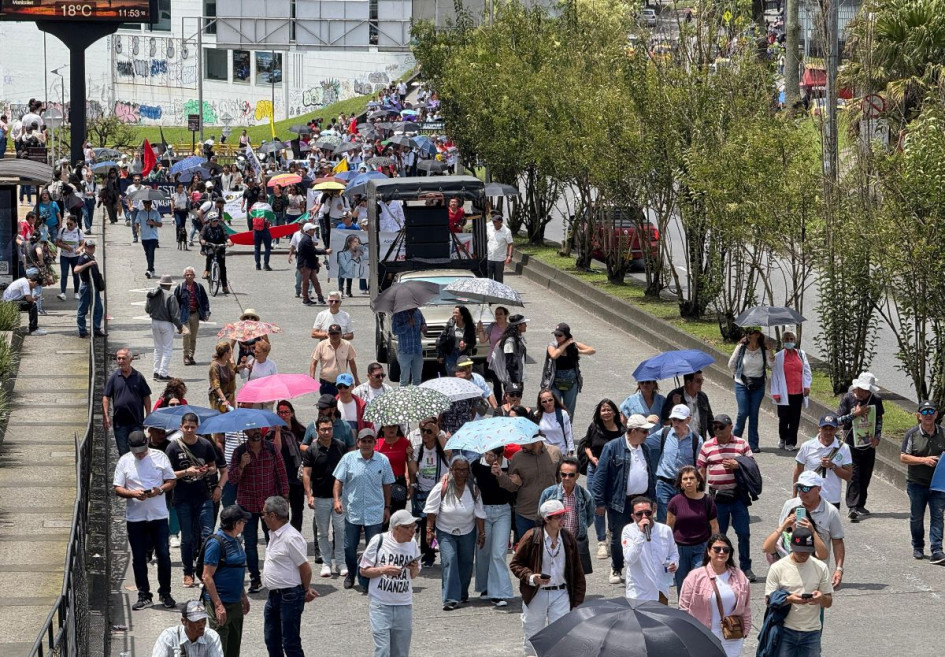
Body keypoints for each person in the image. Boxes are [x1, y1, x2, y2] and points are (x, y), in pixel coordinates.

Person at [510, 499, 587, 656]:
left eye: (564, 515)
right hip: (536, 593)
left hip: (561, 593)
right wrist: (532, 577)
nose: (563, 520)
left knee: (561, 636)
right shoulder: (531, 536)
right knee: (533, 636)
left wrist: (577, 601)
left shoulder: (567, 538)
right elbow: (516, 564)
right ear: (547, 519)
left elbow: (578, 571)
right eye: (558, 517)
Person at [113, 430, 177, 611]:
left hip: (158, 515)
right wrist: (133, 493)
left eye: (142, 451)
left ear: (147, 445)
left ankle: (165, 592)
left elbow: (171, 480)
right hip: (136, 517)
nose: (140, 455)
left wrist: (159, 490)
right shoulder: (124, 461)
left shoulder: (159, 457)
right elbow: (117, 488)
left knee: (163, 555)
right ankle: (144, 594)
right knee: (139, 557)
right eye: (136, 453)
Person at [591, 414, 656, 584]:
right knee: (619, 536)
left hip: (642, 500)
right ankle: (617, 567)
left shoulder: (645, 448)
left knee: (644, 533)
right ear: (633, 431)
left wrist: (653, 499)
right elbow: (600, 476)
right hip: (619, 501)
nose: (647, 435)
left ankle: (642, 569)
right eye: (644, 431)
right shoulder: (612, 447)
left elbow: (650, 475)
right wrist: (599, 502)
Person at [229, 427, 290, 593]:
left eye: (258, 429)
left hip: (269, 505)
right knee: (250, 544)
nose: (255, 432)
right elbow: (232, 479)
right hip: (247, 504)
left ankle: (275, 575)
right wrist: (242, 465)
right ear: (245, 432)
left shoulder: (271, 449)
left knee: (274, 541)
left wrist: (285, 497)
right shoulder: (239, 452)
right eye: (251, 430)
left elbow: (281, 473)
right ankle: (255, 578)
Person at [166, 412, 223, 588]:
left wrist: (207, 470)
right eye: (186, 427)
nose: (189, 430)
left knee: (207, 534)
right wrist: (186, 472)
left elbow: (214, 467)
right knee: (187, 537)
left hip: (203, 496)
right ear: (181, 427)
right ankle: (187, 572)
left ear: (197, 427)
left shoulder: (205, 444)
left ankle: (205, 572)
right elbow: (167, 474)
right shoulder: (173, 448)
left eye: (192, 427)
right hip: (182, 498)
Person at [333, 428, 395, 590]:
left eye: (370, 441)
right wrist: (337, 500)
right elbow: (338, 481)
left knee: (372, 548)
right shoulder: (348, 459)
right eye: (363, 441)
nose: (366, 444)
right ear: (358, 442)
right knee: (349, 547)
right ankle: (351, 573)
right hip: (353, 510)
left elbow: (387, 485)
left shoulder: (383, 460)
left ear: (374, 443)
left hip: (374, 511)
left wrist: (387, 507)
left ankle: (367, 579)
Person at [697, 414, 757, 582]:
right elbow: (701, 469)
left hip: (737, 497)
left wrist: (738, 464)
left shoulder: (741, 444)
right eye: (715, 427)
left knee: (744, 533)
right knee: (717, 536)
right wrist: (700, 496)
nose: (717, 430)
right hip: (717, 499)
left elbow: (752, 465)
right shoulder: (707, 445)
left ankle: (745, 567)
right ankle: (716, 567)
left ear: (730, 427)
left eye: (721, 427)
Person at [423, 455, 486, 610]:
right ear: (451, 470)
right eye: (458, 470)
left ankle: (462, 593)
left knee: (466, 563)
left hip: (467, 531)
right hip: (445, 530)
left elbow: (479, 513)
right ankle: (450, 598)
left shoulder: (473, 489)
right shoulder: (442, 487)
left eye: (464, 470)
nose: (461, 473)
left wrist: (482, 533)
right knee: (450, 560)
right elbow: (431, 511)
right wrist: (429, 530)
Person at [261, 496, 319, 657]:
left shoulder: (291, 537)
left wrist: (305, 590)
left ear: (272, 515)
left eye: (264, 513)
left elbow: (305, 568)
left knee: (290, 643)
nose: (262, 517)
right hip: (274, 596)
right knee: (271, 640)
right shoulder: (274, 533)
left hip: (289, 596)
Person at [359, 509, 422, 657]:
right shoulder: (379, 541)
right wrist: (383, 570)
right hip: (381, 606)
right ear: (397, 528)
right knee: (382, 651)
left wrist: (413, 568)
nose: (413, 531)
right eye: (409, 527)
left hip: (404, 605)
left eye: (414, 526)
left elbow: (414, 575)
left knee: (401, 652)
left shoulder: (412, 543)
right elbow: (363, 570)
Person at [678, 534, 753, 657]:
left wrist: (745, 630)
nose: (721, 552)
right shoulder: (695, 576)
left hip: (732, 635)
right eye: (717, 549)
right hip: (703, 635)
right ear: (708, 551)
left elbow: (746, 607)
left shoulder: (739, 576)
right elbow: (684, 608)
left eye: (726, 550)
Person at [763, 527, 833, 657]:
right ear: (791, 547)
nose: (803, 555)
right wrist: (789, 599)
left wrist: (821, 598)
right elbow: (769, 600)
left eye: (807, 551)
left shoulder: (821, 568)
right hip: (785, 630)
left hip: (812, 632)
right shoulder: (777, 568)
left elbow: (828, 602)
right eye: (800, 551)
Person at [776, 471, 845, 588]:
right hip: (790, 573)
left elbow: (837, 541)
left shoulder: (831, 512)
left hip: (817, 575)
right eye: (799, 487)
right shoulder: (789, 505)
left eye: (806, 488)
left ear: (819, 489)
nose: (802, 492)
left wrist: (839, 569)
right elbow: (780, 537)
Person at [578, 399, 625, 560]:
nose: (606, 413)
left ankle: (611, 534)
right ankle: (601, 542)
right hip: (595, 470)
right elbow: (587, 445)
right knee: (598, 505)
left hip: (614, 472)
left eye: (609, 409)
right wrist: (592, 458)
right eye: (603, 410)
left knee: (612, 505)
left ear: (615, 412)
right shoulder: (594, 427)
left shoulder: (621, 430)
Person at [201, 505, 251, 657]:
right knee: (219, 649)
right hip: (220, 603)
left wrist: (243, 596)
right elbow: (206, 576)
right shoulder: (216, 543)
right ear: (236, 524)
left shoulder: (236, 540)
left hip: (235, 602)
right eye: (243, 521)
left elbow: (237, 571)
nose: (245, 524)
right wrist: (218, 605)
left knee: (233, 648)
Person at [901, 401, 945, 563]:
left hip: (939, 484)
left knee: (938, 516)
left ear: (936, 415)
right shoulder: (912, 434)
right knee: (917, 517)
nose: (928, 415)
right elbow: (903, 457)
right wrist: (923, 460)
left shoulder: (943, 433)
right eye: (925, 412)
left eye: (931, 412)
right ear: (919, 416)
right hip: (916, 483)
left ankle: (937, 549)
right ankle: (918, 546)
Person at [302, 417, 347, 577]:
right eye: (323, 429)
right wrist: (309, 495)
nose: (327, 432)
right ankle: (326, 563)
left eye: (329, 429)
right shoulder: (311, 450)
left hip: (339, 497)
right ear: (317, 430)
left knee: (340, 530)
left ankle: (340, 562)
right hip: (320, 497)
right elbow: (306, 474)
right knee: (322, 533)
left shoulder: (340, 446)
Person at [838, 371, 885, 522]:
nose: (862, 393)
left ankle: (860, 504)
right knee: (854, 475)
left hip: (868, 444)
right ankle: (852, 506)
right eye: (861, 389)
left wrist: (877, 437)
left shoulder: (876, 400)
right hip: (851, 443)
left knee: (866, 474)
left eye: (866, 390)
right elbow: (838, 421)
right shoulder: (847, 398)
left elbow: (879, 420)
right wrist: (855, 414)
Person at [471, 447, 515, 606]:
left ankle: (499, 592)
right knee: (483, 551)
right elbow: (468, 480)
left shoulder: (509, 465)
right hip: (483, 512)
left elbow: (513, 487)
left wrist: (501, 475)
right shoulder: (477, 465)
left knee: (498, 552)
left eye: (491, 455)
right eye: (486, 454)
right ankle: (484, 588)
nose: (488, 458)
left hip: (503, 511)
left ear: (500, 455)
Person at [538, 456, 595, 576]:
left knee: (576, 577)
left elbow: (589, 518)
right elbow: (541, 516)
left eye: (571, 475)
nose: (566, 478)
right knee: (554, 576)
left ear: (577, 476)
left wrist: (581, 528)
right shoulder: (548, 493)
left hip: (576, 542)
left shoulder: (585, 495)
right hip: (554, 542)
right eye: (563, 474)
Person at [496, 438, 563, 540]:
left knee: (549, 548)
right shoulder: (517, 457)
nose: (521, 446)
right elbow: (511, 487)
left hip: (549, 515)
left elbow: (562, 482)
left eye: (523, 442)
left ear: (535, 440)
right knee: (525, 548)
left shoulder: (555, 452)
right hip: (524, 515)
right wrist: (500, 475)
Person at [648, 404, 704, 522]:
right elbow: (643, 441)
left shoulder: (696, 439)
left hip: (685, 485)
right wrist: (647, 424)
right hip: (664, 484)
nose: (676, 423)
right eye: (674, 419)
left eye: (680, 420)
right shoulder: (664, 433)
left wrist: (699, 489)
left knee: (684, 519)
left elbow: (700, 466)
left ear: (688, 419)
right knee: (664, 520)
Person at [666, 465, 719, 590]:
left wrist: (715, 547)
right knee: (682, 585)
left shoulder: (707, 500)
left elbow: (714, 526)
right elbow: (669, 528)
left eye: (691, 478)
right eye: (685, 479)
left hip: (701, 547)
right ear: (681, 483)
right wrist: (667, 550)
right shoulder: (674, 502)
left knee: (697, 581)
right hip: (680, 550)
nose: (688, 481)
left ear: (698, 481)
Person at [409, 417, 450, 567]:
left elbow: (449, 452)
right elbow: (414, 470)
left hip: (441, 490)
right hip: (423, 490)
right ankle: (428, 555)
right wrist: (410, 457)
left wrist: (437, 432)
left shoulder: (441, 446)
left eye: (429, 431)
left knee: (441, 523)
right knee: (426, 524)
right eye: (423, 431)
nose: (425, 434)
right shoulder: (419, 449)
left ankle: (445, 552)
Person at [622, 496, 678, 604]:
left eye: (648, 512)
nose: (644, 516)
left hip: (661, 590)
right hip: (639, 593)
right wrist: (641, 534)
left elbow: (673, 553)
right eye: (639, 514)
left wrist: (674, 563)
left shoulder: (665, 530)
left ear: (653, 511)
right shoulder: (628, 531)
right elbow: (629, 559)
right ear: (633, 516)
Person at [728, 328, 775, 452]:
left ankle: (753, 444)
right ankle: (734, 441)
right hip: (742, 384)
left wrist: (770, 351)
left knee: (754, 414)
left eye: (751, 332)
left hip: (758, 385)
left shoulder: (763, 348)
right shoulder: (741, 347)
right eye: (747, 332)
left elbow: (772, 365)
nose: (748, 335)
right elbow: (731, 364)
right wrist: (739, 376)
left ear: (758, 334)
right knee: (743, 412)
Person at [794, 414, 853, 509]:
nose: (828, 432)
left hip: (832, 499)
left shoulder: (844, 448)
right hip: (808, 498)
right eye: (825, 428)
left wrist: (833, 466)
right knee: (803, 519)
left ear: (836, 429)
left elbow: (848, 476)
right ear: (819, 428)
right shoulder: (807, 446)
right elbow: (798, 471)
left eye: (831, 429)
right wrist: (794, 496)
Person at [103, 348, 153, 455]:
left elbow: (146, 396)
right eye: (118, 358)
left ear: (130, 360)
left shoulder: (138, 377)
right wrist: (106, 416)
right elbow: (106, 396)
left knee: (138, 451)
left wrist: (148, 414)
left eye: (123, 358)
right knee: (123, 453)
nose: (120, 361)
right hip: (120, 423)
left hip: (136, 422)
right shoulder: (114, 377)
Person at [770, 331, 812, 451]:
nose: (789, 341)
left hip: (798, 392)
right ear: (783, 341)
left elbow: (807, 371)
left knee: (795, 419)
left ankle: (791, 442)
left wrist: (807, 386)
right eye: (787, 339)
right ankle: (783, 437)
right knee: (783, 418)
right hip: (784, 393)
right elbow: (775, 375)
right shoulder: (778, 356)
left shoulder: (801, 354)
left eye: (791, 339)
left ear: (795, 340)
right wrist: (775, 393)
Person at [544, 323, 595, 417]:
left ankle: (568, 426)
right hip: (554, 380)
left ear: (566, 335)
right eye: (555, 334)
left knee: (569, 410)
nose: (557, 337)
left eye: (560, 335)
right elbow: (554, 355)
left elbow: (592, 350)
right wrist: (566, 344)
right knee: (555, 407)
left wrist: (579, 351)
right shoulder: (552, 345)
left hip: (571, 380)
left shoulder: (574, 345)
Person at [151, 600, 224, 657]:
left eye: (203, 621)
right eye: (196, 622)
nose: (202, 625)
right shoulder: (168, 637)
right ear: (184, 621)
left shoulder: (212, 637)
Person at [146, 274, 183, 382]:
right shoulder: (171, 296)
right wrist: (180, 326)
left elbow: (147, 309)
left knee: (158, 348)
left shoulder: (152, 294)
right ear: (169, 285)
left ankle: (156, 371)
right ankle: (163, 373)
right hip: (166, 323)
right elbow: (174, 315)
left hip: (154, 322)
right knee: (167, 349)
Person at [174, 267, 211, 366]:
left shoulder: (198, 287)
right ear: (184, 276)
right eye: (187, 274)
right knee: (186, 334)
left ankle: (191, 356)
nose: (189, 276)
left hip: (195, 314)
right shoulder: (180, 287)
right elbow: (175, 303)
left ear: (194, 276)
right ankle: (186, 356)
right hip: (184, 315)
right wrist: (176, 318)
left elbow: (205, 300)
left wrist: (206, 313)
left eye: (191, 274)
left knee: (193, 337)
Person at [661, 371, 714, 440]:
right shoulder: (674, 395)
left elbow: (709, 419)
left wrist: (715, 438)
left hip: (699, 439)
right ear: (688, 382)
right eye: (698, 381)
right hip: (681, 440)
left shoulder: (702, 396)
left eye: (702, 380)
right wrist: (675, 405)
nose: (701, 383)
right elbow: (665, 420)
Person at [310, 324, 359, 396]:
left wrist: (356, 379)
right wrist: (312, 378)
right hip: (326, 382)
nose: (335, 335)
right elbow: (314, 363)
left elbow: (352, 363)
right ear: (328, 334)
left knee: (341, 403)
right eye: (332, 333)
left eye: (337, 333)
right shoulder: (321, 345)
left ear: (341, 334)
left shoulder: (347, 345)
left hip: (342, 383)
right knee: (327, 403)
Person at [489, 314, 528, 398]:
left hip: (518, 376)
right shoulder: (510, 341)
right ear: (518, 326)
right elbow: (509, 364)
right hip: (511, 379)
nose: (526, 325)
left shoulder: (518, 338)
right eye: (524, 323)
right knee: (512, 399)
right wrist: (514, 381)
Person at [74, 239, 106, 338]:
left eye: (93, 247)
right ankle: (82, 330)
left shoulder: (91, 257)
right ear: (86, 248)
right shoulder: (84, 258)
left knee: (98, 309)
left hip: (94, 287)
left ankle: (96, 329)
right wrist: (87, 264)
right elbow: (76, 270)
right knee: (83, 309)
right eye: (89, 247)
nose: (91, 249)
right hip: (87, 286)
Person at [436, 305, 476, 375]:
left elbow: (473, 342)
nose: (454, 314)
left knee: (463, 374)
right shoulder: (450, 324)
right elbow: (441, 339)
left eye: (456, 313)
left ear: (462, 316)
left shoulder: (469, 327)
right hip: (451, 353)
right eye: (453, 312)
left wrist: (466, 345)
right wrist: (440, 354)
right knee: (451, 374)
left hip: (463, 355)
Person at [199, 213, 233, 295]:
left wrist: (228, 241)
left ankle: (225, 286)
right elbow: (201, 235)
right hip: (210, 245)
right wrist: (202, 240)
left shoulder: (221, 226)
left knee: (222, 267)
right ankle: (207, 270)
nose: (215, 222)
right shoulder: (206, 227)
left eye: (216, 220)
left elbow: (226, 234)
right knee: (210, 254)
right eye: (214, 221)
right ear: (210, 221)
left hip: (220, 246)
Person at [391, 307, 425, 385]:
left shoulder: (418, 312)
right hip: (405, 351)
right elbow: (395, 331)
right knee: (404, 380)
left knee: (417, 379)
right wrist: (408, 325)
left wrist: (424, 327)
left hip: (417, 351)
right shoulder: (398, 314)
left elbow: (423, 323)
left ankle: (416, 393)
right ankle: (403, 392)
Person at [297, 222, 329, 306]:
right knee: (307, 282)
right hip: (305, 264)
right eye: (312, 229)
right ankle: (306, 299)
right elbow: (313, 251)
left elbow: (311, 252)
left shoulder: (307, 238)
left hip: (308, 263)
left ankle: (318, 298)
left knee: (314, 281)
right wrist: (325, 251)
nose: (314, 231)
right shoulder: (307, 239)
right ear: (308, 230)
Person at [535, 388, 574, 455]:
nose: (548, 403)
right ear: (540, 403)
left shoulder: (562, 414)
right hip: (544, 453)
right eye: (544, 401)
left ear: (554, 400)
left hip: (560, 452)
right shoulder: (536, 415)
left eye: (550, 400)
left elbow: (568, 433)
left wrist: (570, 450)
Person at [54, 214, 84, 301]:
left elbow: (82, 244)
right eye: (67, 224)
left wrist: (79, 249)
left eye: (71, 224)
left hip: (75, 257)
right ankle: (63, 293)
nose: (69, 226)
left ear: (75, 224)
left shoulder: (78, 232)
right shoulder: (62, 231)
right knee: (64, 274)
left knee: (75, 274)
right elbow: (57, 242)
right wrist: (65, 247)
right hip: (64, 256)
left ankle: (76, 292)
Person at [135, 199, 163, 278]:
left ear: (151, 203)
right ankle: (152, 269)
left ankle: (149, 270)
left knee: (151, 253)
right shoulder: (140, 213)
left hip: (153, 237)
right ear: (143, 204)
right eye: (145, 203)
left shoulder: (155, 213)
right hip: (144, 237)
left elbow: (160, 224)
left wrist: (153, 223)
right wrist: (137, 229)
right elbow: (136, 222)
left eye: (148, 203)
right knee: (147, 253)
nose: (147, 205)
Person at [486, 211, 514, 282]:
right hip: (490, 257)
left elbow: (510, 244)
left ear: (500, 222)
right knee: (488, 278)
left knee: (498, 279)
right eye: (493, 221)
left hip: (499, 259)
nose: (493, 223)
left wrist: (509, 256)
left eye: (495, 222)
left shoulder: (506, 231)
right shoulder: (490, 229)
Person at [209, 341, 237, 412]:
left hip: (230, 396)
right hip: (219, 400)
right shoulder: (215, 366)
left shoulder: (227, 362)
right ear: (225, 353)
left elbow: (234, 370)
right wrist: (224, 400)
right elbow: (216, 386)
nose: (231, 353)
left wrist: (244, 366)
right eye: (230, 351)